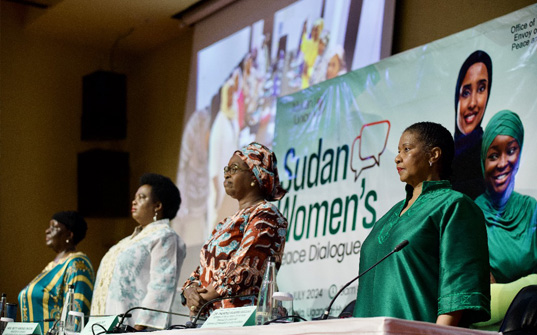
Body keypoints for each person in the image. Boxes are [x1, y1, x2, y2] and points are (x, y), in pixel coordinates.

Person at [353, 122, 490, 327]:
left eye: (406, 149)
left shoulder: (454, 206)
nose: (397, 157)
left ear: (433, 155)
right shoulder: (386, 218)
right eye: (398, 151)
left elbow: (458, 292)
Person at [182, 142, 288, 316]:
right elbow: (202, 269)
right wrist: (190, 290)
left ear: (255, 175)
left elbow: (244, 266)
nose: (227, 174)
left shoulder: (266, 215)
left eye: (234, 168)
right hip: (213, 317)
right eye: (226, 169)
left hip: (245, 317)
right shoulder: (225, 223)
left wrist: (200, 299)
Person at [91, 173, 186, 330]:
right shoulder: (125, 242)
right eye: (135, 197)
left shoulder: (165, 236)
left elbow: (162, 285)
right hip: (105, 328)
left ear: (158, 206)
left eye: (141, 197)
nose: (134, 201)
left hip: (133, 329)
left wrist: (139, 328)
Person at [473, 110, 537, 328]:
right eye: (493, 156)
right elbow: (478, 302)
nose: (502, 163)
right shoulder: (470, 216)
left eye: (510, 151)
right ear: (483, 160)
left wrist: (502, 290)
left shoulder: (531, 209)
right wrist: (531, 284)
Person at [18, 211, 94, 334]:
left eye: (54, 227)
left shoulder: (77, 264)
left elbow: (76, 315)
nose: (47, 231)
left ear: (69, 235)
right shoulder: (52, 266)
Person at [451, 50, 493, 200]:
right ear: (457, 97)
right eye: (466, 92)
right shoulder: (441, 158)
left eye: (481, 89)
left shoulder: (491, 153)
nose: (473, 103)